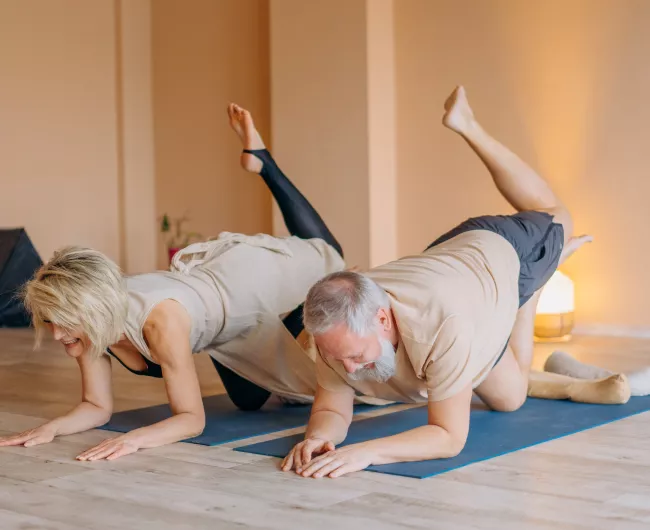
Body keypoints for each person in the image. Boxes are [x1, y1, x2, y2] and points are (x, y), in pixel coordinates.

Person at [0, 104, 370, 461]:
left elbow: (192, 420)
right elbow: (96, 407)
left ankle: (263, 162)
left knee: (329, 256)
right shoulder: (90, 330)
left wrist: (136, 440)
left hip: (245, 285)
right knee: (248, 401)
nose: (57, 335)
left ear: (92, 307)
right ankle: (299, 311)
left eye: (63, 321)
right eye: (51, 322)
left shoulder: (160, 322)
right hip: (225, 328)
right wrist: (51, 429)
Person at [281, 86, 603, 479]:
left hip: (500, 249)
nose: (347, 368)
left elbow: (449, 436)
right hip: (457, 278)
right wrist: (317, 437)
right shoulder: (337, 330)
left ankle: (467, 125)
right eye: (338, 359)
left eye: (353, 356)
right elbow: (332, 407)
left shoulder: (442, 324)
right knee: (511, 399)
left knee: (555, 211)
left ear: (382, 320)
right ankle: (530, 293)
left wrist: (364, 453)